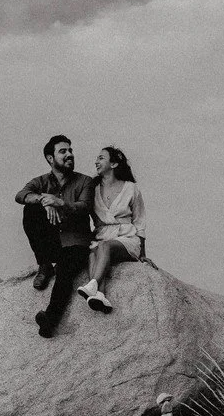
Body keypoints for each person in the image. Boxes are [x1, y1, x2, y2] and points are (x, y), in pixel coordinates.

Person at [15, 134, 95, 337]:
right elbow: (20, 195)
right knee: (30, 210)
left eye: (70, 150)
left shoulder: (85, 181)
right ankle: (44, 265)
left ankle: (50, 319)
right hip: (52, 243)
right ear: (50, 158)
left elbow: (84, 207)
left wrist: (59, 203)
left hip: (76, 242)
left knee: (66, 273)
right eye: (63, 151)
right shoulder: (41, 181)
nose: (69, 154)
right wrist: (43, 200)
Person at [78, 146, 146, 312]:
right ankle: (100, 295)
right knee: (92, 253)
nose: (96, 161)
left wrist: (143, 254)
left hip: (127, 239)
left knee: (104, 246)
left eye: (101, 158)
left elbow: (140, 221)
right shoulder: (92, 190)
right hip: (102, 235)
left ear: (114, 164)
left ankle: (93, 283)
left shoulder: (131, 188)